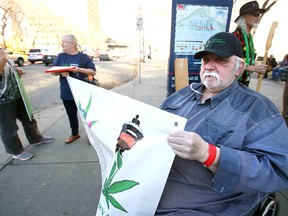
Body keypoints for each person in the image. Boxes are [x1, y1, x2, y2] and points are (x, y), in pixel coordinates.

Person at [156, 32, 288, 215]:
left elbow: (277, 171)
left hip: (198, 207)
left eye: (220, 60)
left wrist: (209, 154)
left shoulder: (259, 111)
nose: (210, 66)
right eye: (206, 60)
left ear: (239, 67)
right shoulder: (182, 96)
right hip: (148, 189)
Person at [0, 49, 55, 160]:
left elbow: (7, 67)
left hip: (17, 94)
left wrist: (17, 70)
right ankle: (16, 151)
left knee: (28, 118)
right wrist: (3, 54)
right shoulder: (2, 55)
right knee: (9, 127)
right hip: (4, 100)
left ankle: (36, 138)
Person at [53, 34, 96, 144]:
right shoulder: (61, 56)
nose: (61, 44)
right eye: (61, 42)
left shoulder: (83, 57)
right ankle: (75, 133)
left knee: (87, 116)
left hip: (82, 92)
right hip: (67, 92)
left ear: (73, 44)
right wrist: (60, 72)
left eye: (64, 42)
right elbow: (53, 71)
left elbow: (92, 71)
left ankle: (91, 136)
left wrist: (79, 70)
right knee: (71, 115)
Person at [233, 1, 267, 87]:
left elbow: (246, 59)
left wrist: (257, 66)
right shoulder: (235, 36)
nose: (258, 17)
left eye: (259, 14)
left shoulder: (249, 38)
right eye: (255, 14)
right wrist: (253, 68)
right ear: (244, 16)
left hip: (244, 83)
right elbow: (230, 61)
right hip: (233, 84)